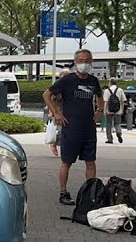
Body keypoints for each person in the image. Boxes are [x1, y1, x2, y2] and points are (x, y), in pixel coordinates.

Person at [44, 49, 104, 205]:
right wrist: (56, 113)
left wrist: (100, 110)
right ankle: (63, 192)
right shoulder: (67, 80)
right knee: (67, 162)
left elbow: (99, 95)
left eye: (87, 61)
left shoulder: (93, 81)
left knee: (90, 161)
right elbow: (46, 94)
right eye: (81, 60)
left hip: (89, 128)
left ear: (91, 62)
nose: (84, 64)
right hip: (71, 128)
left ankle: (90, 194)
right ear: (75, 62)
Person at [103, 78, 127, 144]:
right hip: (118, 110)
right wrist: (122, 109)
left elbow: (106, 102)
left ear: (110, 83)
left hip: (109, 110)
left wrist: (104, 110)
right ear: (116, 83)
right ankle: (119, 132)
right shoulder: (120, 90)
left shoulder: (107, 91)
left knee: (108, 125)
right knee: (117, 123)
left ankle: (110, 139)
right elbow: (123, 101)